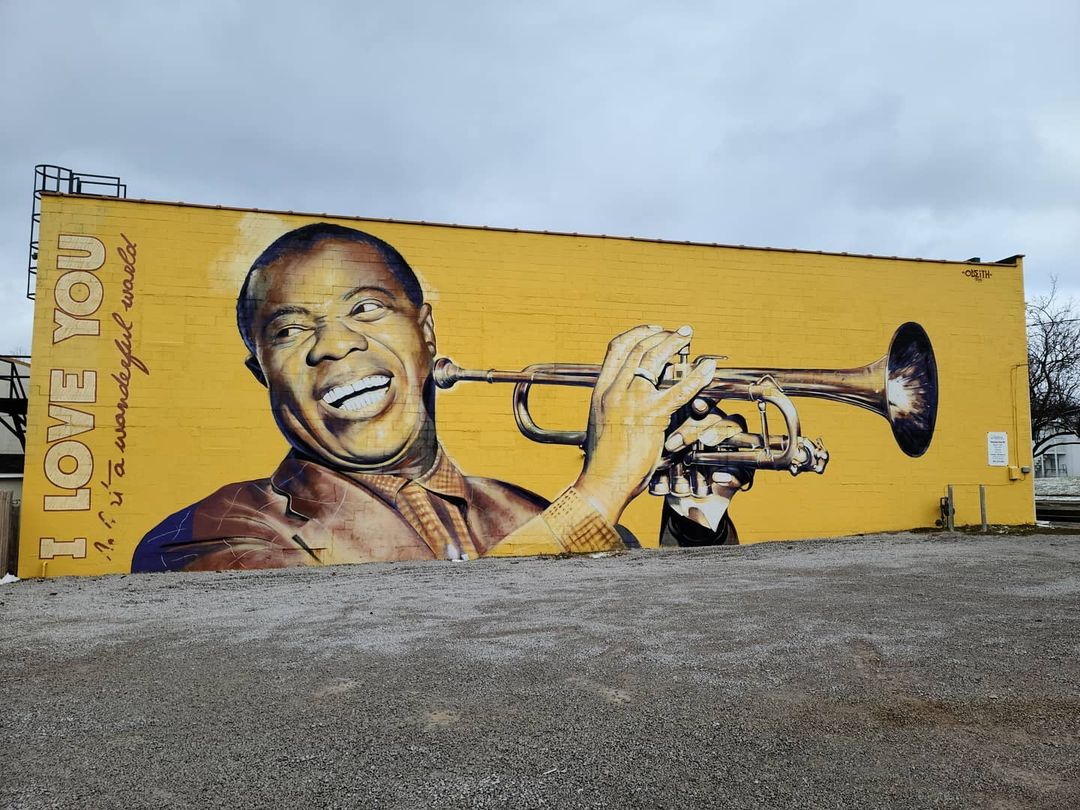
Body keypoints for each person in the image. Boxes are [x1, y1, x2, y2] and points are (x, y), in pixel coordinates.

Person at [132, 224, 747, 573]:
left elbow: (656, 637)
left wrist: (697, 518)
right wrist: (605, 484)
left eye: (367, 308)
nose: (336, 345)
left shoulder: (528, 511)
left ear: (425, 334)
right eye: (290, 331)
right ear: (261, 371)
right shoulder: (215, 535)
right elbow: (427, 649)